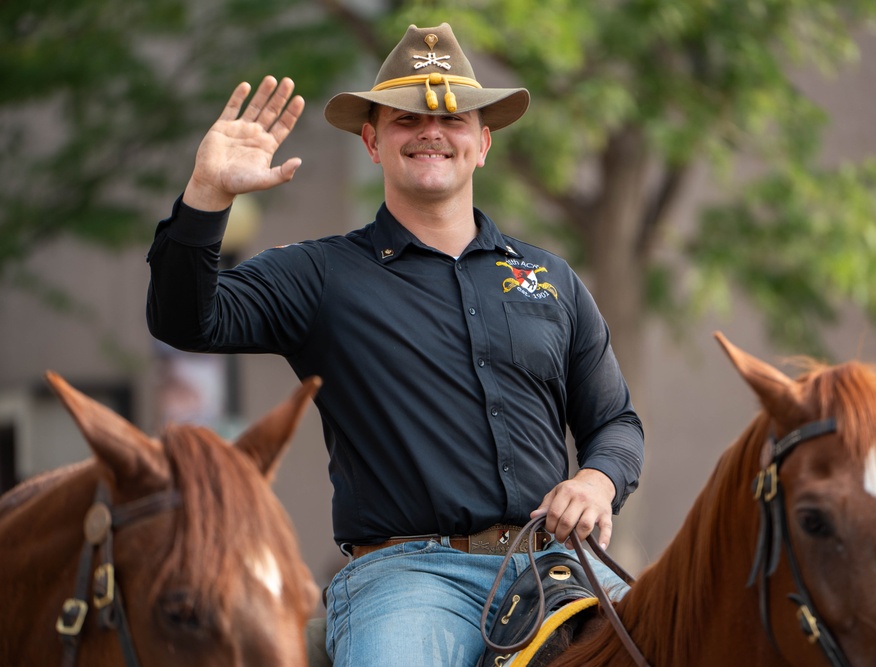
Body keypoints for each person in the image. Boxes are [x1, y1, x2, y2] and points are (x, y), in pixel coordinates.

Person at [146, 22, 644, 666]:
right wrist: (207, 196)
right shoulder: (320, 274)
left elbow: (615, 421)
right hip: (408, 580)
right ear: (373, 142)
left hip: (555, 567)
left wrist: (599, 482)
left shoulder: (552, 278)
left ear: (483, 143)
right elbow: (186, 321)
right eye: (406, 118)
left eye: (454, 117)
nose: (431, 130)